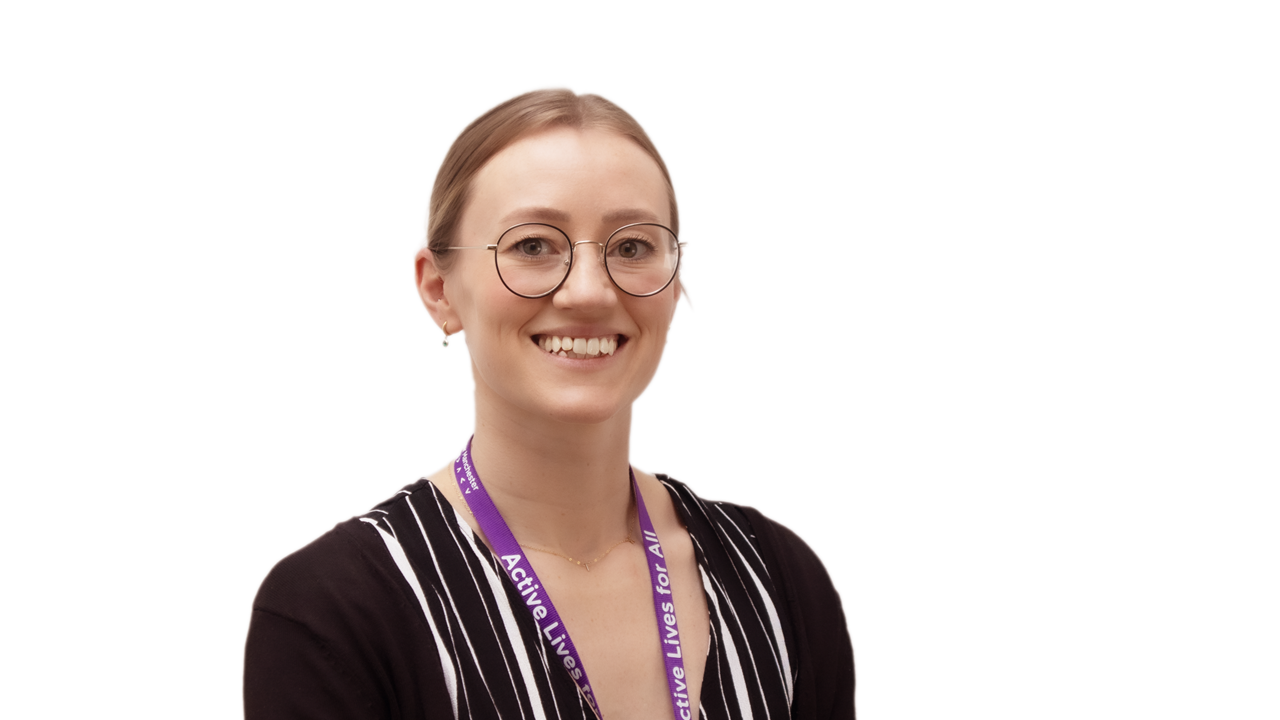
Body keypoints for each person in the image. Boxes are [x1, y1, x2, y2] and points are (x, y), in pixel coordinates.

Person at [244, 89, 855, 720]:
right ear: (439, 288)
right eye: (533, 246)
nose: (589, 292)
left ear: (673, 284)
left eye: (631, 247)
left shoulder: (779, 585)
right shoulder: (335, 613)